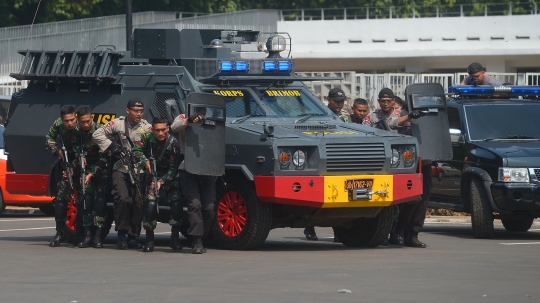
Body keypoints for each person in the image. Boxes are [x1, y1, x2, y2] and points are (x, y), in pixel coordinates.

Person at [92, 99, 152, 250]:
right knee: (123, 199)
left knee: (138, 203)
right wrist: (113, 147)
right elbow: (97, 134)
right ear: (127, 111)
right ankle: (122, 234)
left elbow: (156, 141)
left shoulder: (146, 127)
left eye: (141, 111)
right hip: (120, 168)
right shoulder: (117, 124)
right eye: (135, 110)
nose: (139, 114)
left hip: (138, 170)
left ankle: (133, 236)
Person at [303, 88, 351, 241]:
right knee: (317, 196)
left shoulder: (345, 116)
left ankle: (338, 232)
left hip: (341, 158)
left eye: (342, 101)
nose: (339, 105)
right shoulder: (318, 113)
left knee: (340, 199)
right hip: (323, 157)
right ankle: (309, 227)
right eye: (337, 101)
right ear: (329, 100)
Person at [132, 117, 181, 253]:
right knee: (150, 205)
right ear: (152, 129)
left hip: (168, 177)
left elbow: (173, 169)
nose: (160, 133)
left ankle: (175, 238)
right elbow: (136, 150)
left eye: (163, 130)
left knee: (176, 204)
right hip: (151, 174)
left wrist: (161, 182)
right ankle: (149, 239)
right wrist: (145, 162)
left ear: (168, 128)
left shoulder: (173, 143)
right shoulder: (147, 137)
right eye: (157, 130)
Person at [171, 109, 216, 254]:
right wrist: (188, 120)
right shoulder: (184, 116)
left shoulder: (213, 116)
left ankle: (203, 236)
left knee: (209, 207)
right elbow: (174, 127)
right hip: (188, 166)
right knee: (194, 203)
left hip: (207, 166)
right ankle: (196, 240)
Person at [74, 107, 108, 248]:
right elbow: (74, 149)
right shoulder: (77, 133)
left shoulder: (101, 131)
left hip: (101, 171)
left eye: (88, 121)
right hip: (85, 171)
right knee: (86, 203)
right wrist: (78, 161)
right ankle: (88, 235)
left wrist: (91, 173)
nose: (86, 124)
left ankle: (98, 237)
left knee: (100, 204)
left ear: (91, 118)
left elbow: (105, 156)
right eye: (83, 122)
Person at [46, 106, 78, 247]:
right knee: (61, 200)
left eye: (72, 120)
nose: (70, 123)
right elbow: (49, 137)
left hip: (82, 163)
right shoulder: (58, 124)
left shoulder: (82, 126)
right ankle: (59, 233)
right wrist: (56, 151)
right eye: (67, 121)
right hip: (66, 160)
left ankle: (83, 233)